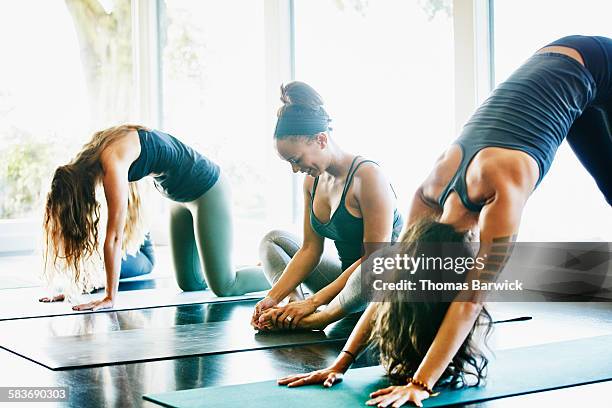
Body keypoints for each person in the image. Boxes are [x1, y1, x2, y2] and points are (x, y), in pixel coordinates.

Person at [276, 35, 611, 406]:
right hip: (571, 70)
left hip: (598, 63)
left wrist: (421, 383)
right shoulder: (428, 194)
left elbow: (468, 300)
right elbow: (390, 282)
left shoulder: (501, 187)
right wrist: (341, 364)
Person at [42, 124, 270, 311]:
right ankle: (239, 267)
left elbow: (113, 238)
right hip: (177, 199)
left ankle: (290, 272)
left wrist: (110, 298)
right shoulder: (95, 152)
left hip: (207, 190)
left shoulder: (112, 162)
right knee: (190, 284)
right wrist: (74, 288)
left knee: (225, 286)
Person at [251, 82, 403, 331]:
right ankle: (291, 308)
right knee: (273, 240)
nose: (295, 169)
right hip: (344, 285)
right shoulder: (312, 181)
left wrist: (314, 303)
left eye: (296, 159)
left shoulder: (368, 177)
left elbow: (375, 258)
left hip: (380, 286)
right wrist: (273, 298)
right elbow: (311, 249)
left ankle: (312, 318)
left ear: (320, 139)